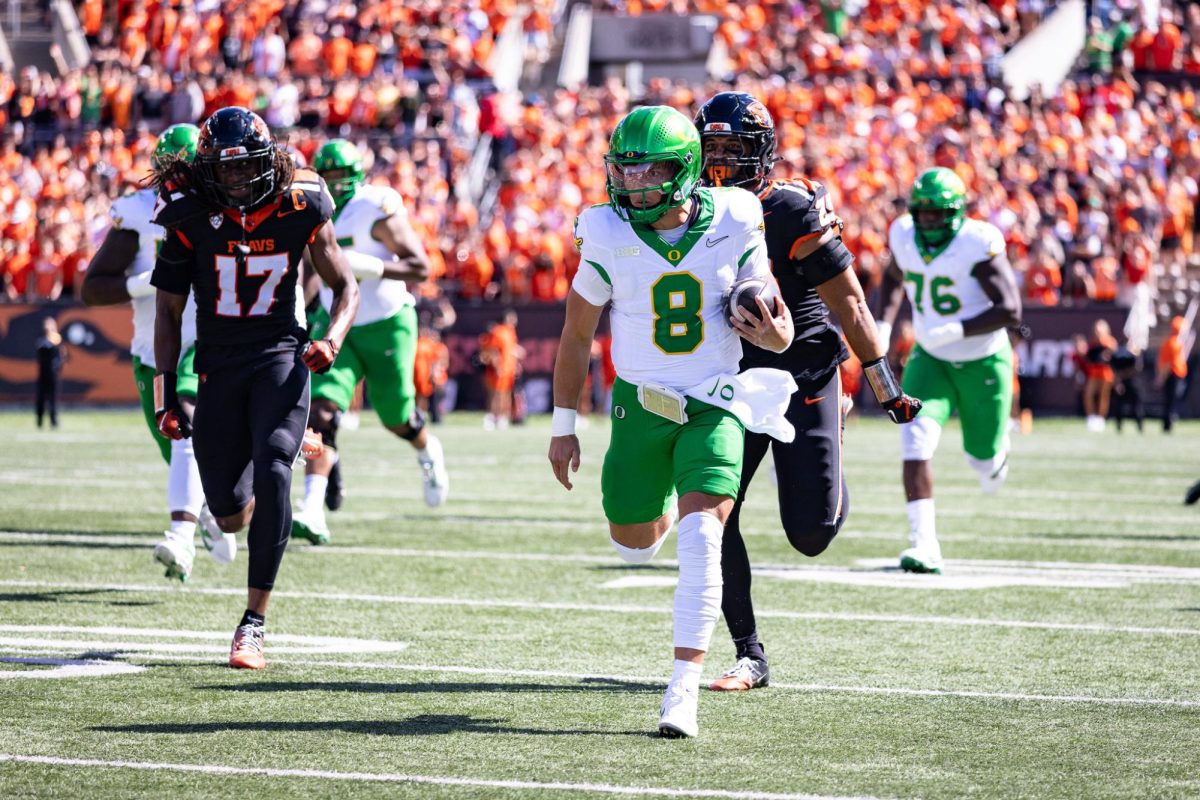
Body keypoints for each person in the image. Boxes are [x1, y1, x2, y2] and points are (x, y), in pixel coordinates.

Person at [548, 106, 796, 738]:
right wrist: (563, 421)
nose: (632, 185)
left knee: (703, 539)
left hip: (715, 401)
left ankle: (682, 688)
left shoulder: (736, 215)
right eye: (624, 172)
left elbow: (773, 313)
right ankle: (653, 507)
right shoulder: (604, 230)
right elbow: (578, 334)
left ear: (685, 171)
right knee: (632, 539)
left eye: (649, 171)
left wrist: (772, 327)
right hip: (641, 405)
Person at [693, 91, 922, 692]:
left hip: (805, 376)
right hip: (732, 385)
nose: (718, 162)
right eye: (709, 148)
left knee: (811, 534)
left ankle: (834, 429)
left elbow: (849, 301)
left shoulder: (790, 210)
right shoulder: (687, 212)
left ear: (760, 154)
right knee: (711, 515)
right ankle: (749, 653)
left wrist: (884, 385)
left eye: (731, 149)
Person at [149, 107, 360, 669]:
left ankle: (253, 623)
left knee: (273, 472)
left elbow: (346, 286)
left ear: (268, 161)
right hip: (217, 364)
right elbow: (167, 313)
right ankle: (291, 441)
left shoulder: (302, 201)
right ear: (208, 169)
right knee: (229, 512)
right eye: (227, 169)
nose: (239, 180)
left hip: (279, 355)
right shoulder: (187, 211)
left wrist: (331, 341)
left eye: (248, 168)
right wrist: (165, 393)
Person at [81, 123, 234, 581]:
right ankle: (206, 511)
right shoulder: (140, 212)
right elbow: (93, 287)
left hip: (205, 339)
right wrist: (146, 281)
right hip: (152, 347)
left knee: (185, 424)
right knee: (176, 445)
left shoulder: (228, 206)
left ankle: (181, 536)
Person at [290, 139, 448, 546]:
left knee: (397, 418)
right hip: (337, 324)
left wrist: (373, 266)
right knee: (319, 415)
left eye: (343, 177)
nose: (337, 186)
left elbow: (420, 265)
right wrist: (298, 313)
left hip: (387, 322)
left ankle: (428, 451)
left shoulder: (373, 208)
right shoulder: (312, 208)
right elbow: (310, 270)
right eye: (330, 178)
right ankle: (311, 507)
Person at [878, 167, 1022, 574]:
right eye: (922, 213)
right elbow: (892, 279)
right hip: (931, 359)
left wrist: (956, 328)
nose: (928, 221)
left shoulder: (977, 242)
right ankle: (924, 543)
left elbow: (1011, 308)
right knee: (915, 437)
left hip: (983, 358)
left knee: (983, 462)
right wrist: (884, 327)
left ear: (956, 212)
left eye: (937, 213)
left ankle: (995, 456)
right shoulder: (903, 234)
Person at [479, 309, 523, 430]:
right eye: (512, 318)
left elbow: (511, 349)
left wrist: (517, 357)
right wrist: (497, 365)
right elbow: (493, 350)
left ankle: (502, 417)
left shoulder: (511, 332)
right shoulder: (498, 331)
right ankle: (491, 416)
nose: (515, 321)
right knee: (495, 394)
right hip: (500, 368)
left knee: (505, 394)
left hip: (509, 368)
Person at [1082, 319, 1117, 432]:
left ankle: (1101, 419)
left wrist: (1106, 355)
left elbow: (1113, 356)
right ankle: (1091, 418)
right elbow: (1088, 357)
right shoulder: (1092, 342)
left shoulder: (1110, 342)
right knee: (1088, 394)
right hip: (1094, 373)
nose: (1098, 333)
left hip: (1105, 374)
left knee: (1103, 397)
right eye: (1096, 330)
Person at [1156, 315, 1189, 433]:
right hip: (1173, 375)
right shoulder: (1174, 344)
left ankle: (1168, 422)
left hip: (1173, 375)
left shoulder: (1171, 342)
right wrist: (1162, 377)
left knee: (1170, 400)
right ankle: (1168, 424)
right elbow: (1169, 364)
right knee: (1170, 400)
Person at [34, 316, 66, 429]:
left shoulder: (56, 339)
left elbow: (61, 356)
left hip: (53, 375)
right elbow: (40, 349)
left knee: (54, 398)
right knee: (40, 398)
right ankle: (39, 420)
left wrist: (57, 367)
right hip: (42, 373)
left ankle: (54, 420)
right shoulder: (41, 338)